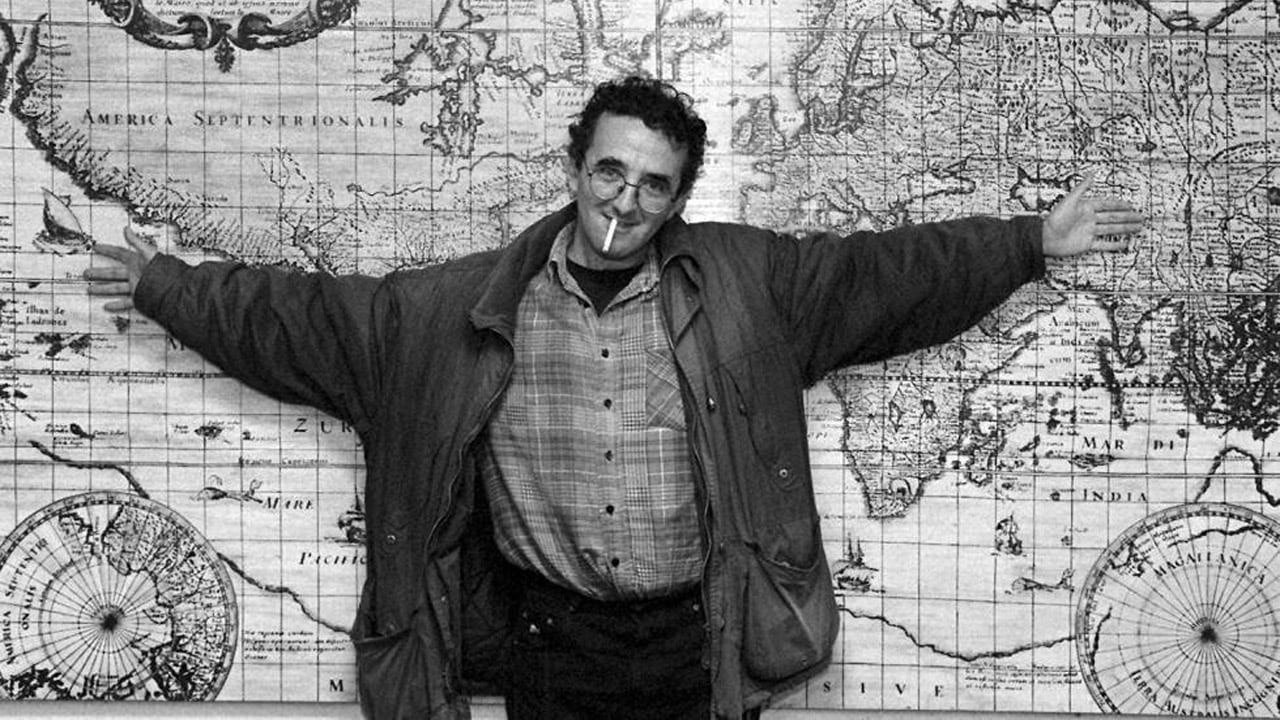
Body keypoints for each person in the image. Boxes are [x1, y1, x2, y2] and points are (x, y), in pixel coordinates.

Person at [84, 75, 1145, 720]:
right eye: (607, 172)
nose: (622, 202)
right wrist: (164, 285)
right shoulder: (451, 310)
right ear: (574, 167)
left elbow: (887, 277)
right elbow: (293, 319)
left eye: (651, 184)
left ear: (678, 197)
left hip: (700, 642)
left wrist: (1026, 245)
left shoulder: (747, 287)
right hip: (551, 648)